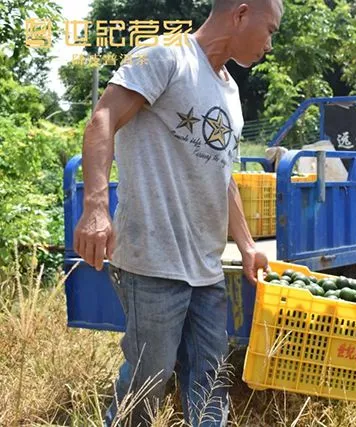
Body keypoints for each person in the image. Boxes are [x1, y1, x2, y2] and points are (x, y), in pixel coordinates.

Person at [73, 0, 283, 425]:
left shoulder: (230, 91)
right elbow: (102, 119)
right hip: (152, 262)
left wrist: (245, 245)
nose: (270, 44)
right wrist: (95, 206)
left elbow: (222, 176)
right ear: (241, 14)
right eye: (271, 30)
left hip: (206, 268)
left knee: (210, 383)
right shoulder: (165, 55)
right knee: (147, 384)